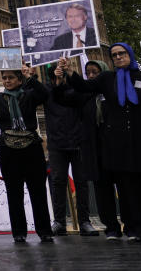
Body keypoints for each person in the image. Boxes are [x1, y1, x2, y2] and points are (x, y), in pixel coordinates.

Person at [61, 42, 141, 243]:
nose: (118, 57)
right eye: (114, 55)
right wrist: (69, 71)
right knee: (132, 190)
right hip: (121, 143)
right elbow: (84, 86)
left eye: (122, 53)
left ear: (130, 54)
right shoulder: (107, 79)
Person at [0, 63, 54, 243]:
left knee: (38, 192)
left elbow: (45, 94)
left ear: (19, 80)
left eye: (11, 77)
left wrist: (30, 77)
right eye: (4, 78)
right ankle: (19, 233)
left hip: (31, 147)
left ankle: (44, 231)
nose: (7, 80)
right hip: (8, 149)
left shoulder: (29, 95)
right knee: (14, 192)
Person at [54, 60, 128, 239]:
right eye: (88, 73)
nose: (92, 76)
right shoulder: (83, 95)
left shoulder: (116, 92)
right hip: (95, 149)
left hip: (117, 147)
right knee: (102, 189)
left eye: (96, 72)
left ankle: (131, 224)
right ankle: (111, 227)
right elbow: (61, 98)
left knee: (125, 188)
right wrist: (59, 80)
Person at [42, 65, 100, 236]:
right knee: (58, 181)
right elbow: (33, 91)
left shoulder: (78, 91)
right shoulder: (47, 92)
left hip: (78, 142)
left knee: (82, 182)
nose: (58, 79)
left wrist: (68, 72)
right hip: (56, 143)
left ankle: (84, 221)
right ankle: (59, 221)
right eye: (54, 76)